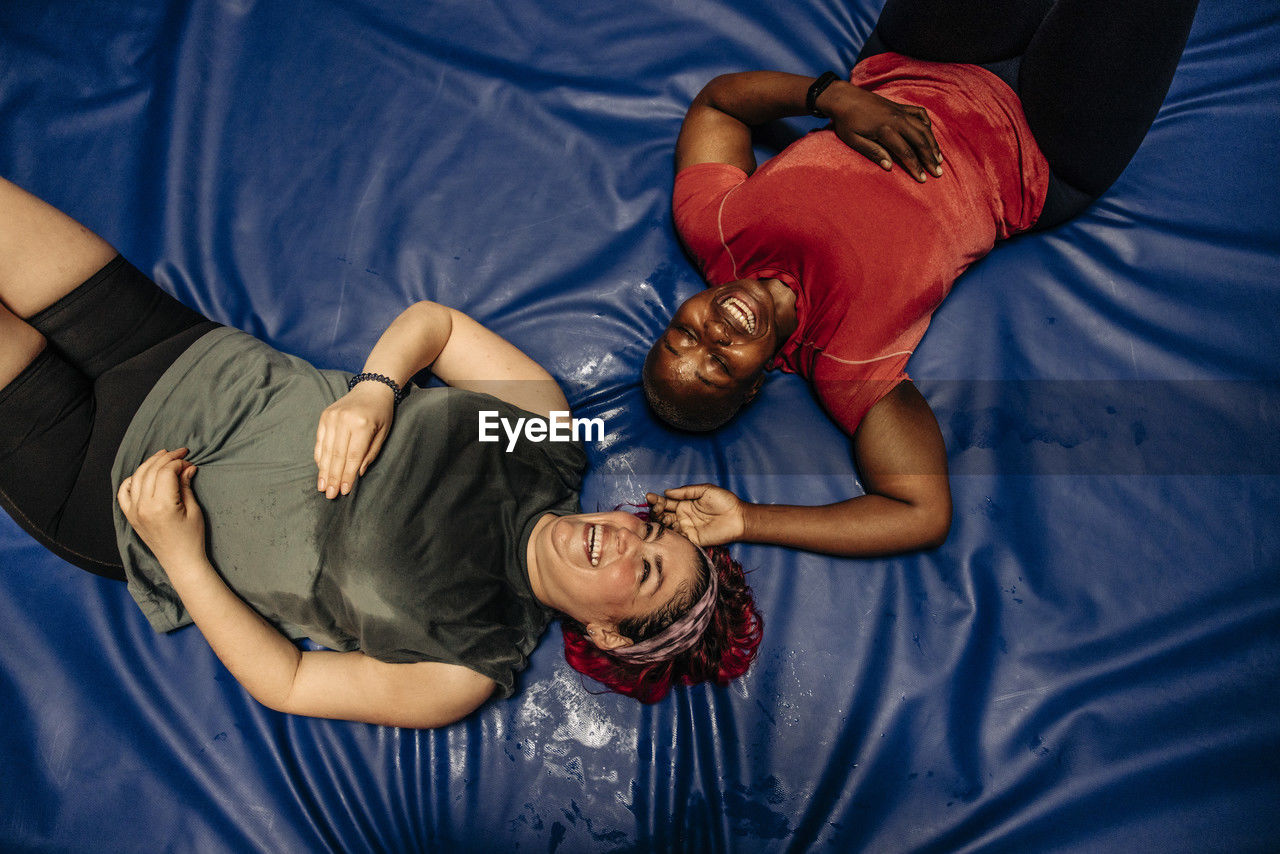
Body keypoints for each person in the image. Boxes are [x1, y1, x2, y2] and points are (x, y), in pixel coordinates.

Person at [0, 176, 763, 727]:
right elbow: (439, 326)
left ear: (606, 635)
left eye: (647, 570)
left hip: (111, 491)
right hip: (178, 353)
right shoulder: (550, 439)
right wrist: (375, 388)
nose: (630, 535)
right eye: (654, 531)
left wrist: (180, 554)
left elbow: (290, 681)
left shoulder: (468, 665)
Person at [643, 0, 1200, 557]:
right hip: (1040, 144)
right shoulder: (847, 365)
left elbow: (718, 104)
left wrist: (834, 98)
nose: (713, 335)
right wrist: (745, 519)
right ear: (755, 385)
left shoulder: (713, 226)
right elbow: (920, 514)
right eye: (718, 366)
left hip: (915, 61)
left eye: (684, 336)